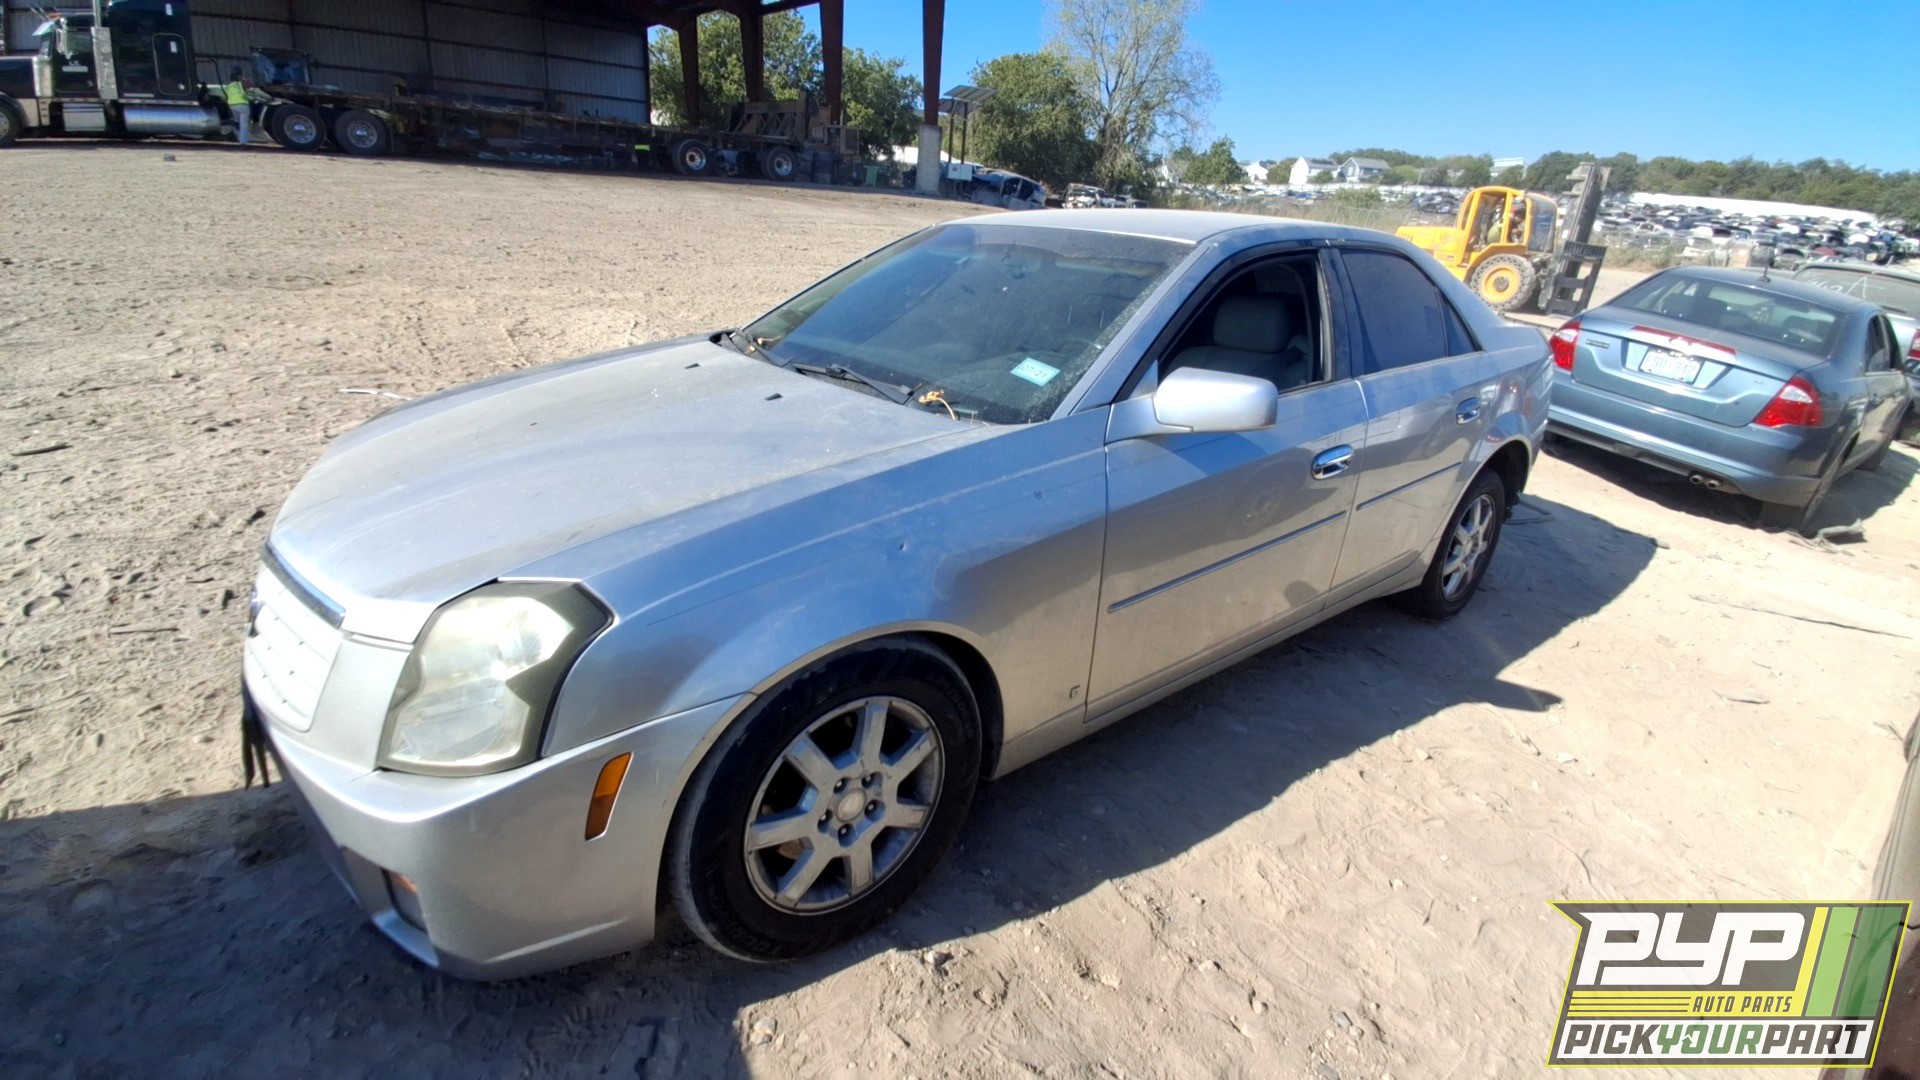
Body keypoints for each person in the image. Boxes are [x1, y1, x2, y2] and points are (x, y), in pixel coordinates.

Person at [223, 68, 253, 146]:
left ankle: (235, 132)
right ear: (239, 76)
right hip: (243, 105)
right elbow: (250, 90)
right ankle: (243, 142)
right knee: (244, 125)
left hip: (232, 106)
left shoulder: (228, 86)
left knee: (237, 122)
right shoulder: (241, 84)